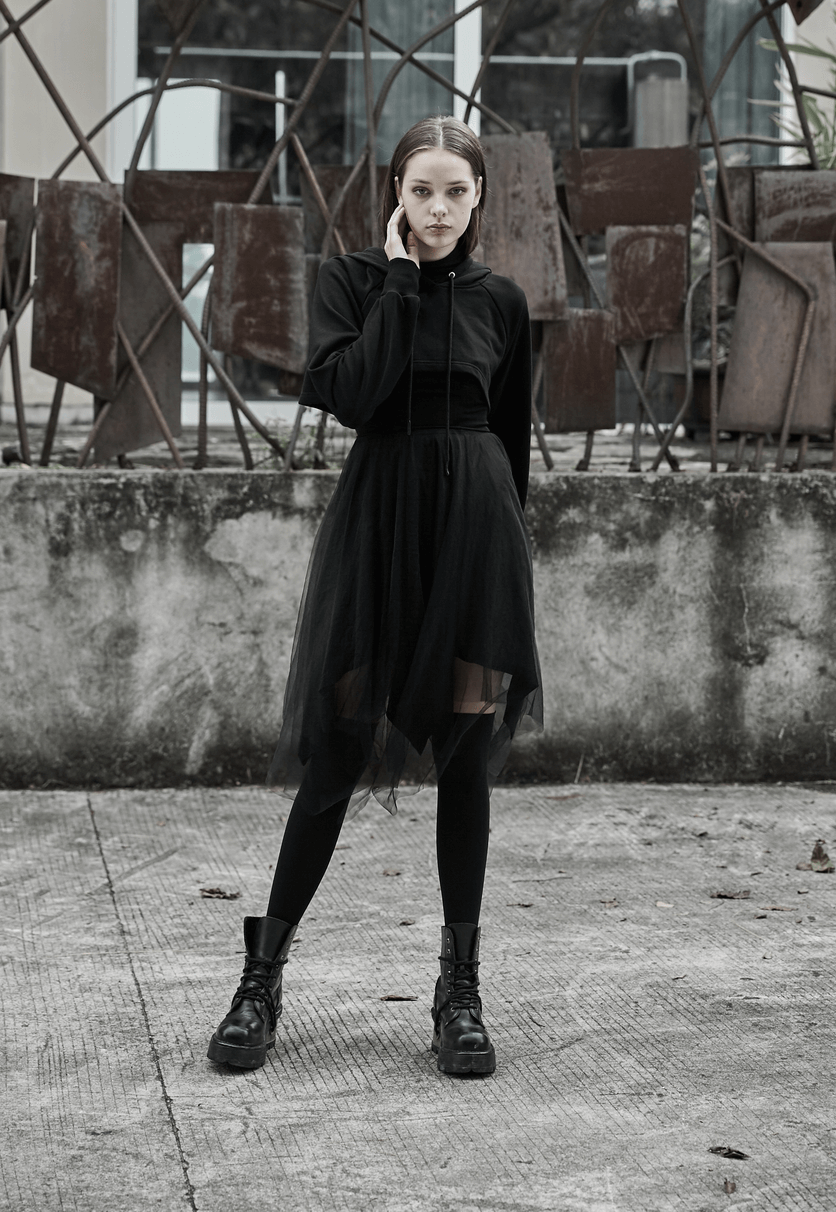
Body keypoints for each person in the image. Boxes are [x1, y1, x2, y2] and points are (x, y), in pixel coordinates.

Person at [207, 115, 543, 1078]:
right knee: (339, 750)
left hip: (475, 543)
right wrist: (400, 282)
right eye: (420, 189)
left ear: (480, 198)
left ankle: (460, 991)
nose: (437, 209)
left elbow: (510, 437)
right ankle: (261, 980)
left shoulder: (505, 302)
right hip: (378, 534)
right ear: (394, 191)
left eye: (455, 192)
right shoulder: (352, 282)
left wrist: (506, 556)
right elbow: (349, 394)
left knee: (467, 760)